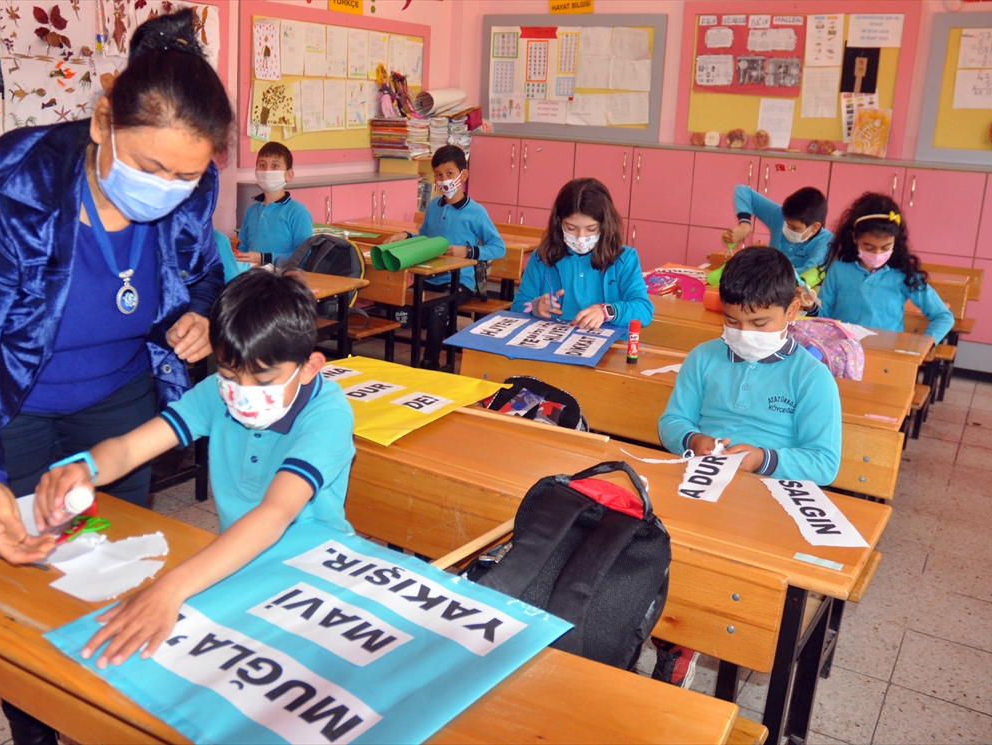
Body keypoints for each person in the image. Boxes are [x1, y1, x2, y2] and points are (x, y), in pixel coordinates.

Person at [0, 12, 232, 743]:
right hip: (15, 405)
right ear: (101, 120)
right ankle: (35, 726)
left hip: (121, 401)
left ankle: (102, 709)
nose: (169, 189)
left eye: (187, 175)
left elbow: (206, 270)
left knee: (115, 570)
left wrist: (203, 312)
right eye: (149, 169)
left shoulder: (192, 186)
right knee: (28, 583)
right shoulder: (15, 182)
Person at [35, 270, 355, 668]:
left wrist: (172, 588)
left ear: (309, 367)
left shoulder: (328, 414)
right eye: (229, 376)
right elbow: (132, 447)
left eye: (264, 380)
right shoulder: (218, 397)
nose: (244, 394)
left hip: (319, 570)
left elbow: (275, 514)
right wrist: (84, 467)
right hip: (237, 560)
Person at [654, 245, 842, 688]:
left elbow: (825, 462)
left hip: (770, 499)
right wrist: (695, 440)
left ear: (793, 307)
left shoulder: (811, 377)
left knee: (726, 564)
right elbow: (671, 422)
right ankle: (675, 635)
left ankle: (697, 635)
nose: (744, 333)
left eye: (759, 324)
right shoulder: (704, 357)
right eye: (732, 322)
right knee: (657, 540)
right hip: (705, 482)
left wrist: (761, 458)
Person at [383, 144, 505, 368]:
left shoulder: (476, 212)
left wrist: (467, 251)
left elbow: (498, 247)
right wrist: (405, 235)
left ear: (463, 175)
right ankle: (394, 358)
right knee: (400, 304)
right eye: (439, 175)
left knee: (439, 308)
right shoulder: (434, 206)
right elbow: (426, 238)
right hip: (431, 278)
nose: (444, 180)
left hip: (461, 282)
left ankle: (430, 362)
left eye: (450, 174)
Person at [512, 178, 653, 332]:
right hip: (553, 341)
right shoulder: (543, 257)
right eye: (571, 228)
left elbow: (644, 310)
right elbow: (518, 306)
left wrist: (606, 311)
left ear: (605, 225)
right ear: (559, 222)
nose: (581, 237)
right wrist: (536, 306)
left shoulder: (624, 259)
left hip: (607, 346)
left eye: (591, 229)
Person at [813, 193, 954, 344]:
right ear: (854, 238)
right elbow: (823, 315)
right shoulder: (839, 269)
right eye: (869, 246)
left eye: (886, 247)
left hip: (886, 355)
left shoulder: (903, 274)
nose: (877, 253)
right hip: (843, 352)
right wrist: (811, 306)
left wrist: (924, 346)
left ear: (896, 241)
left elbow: (943, 316)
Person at [721, 185, 832, 274]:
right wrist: (744, 225)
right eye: (786, 223)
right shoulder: (779, 217)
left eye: (794, 227)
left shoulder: (825, 241)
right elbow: (742, 190)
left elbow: (808, 273)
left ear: (815, 227)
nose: (787, 228)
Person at [235, 142, 313, 268]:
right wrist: (239, 257)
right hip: (252, 278)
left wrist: (263, 258)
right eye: (262, 165)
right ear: (256, 172)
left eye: (275, 165)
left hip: (284, 281)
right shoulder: (250, 211)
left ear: (289, 175)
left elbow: (304, 256)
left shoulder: (298, 212)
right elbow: (243, 247)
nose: (267, 171)